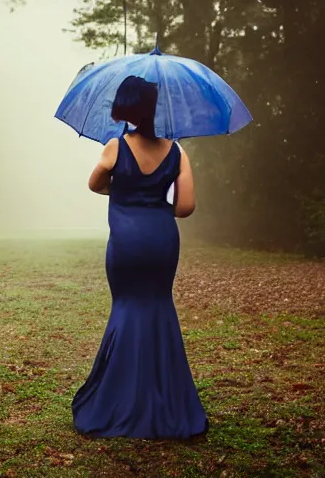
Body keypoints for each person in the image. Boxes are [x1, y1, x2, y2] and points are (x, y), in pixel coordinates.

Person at [71, 75, 210, 439]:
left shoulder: (115, 148)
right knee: (159, 308)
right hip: (162, 240)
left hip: (127, 242)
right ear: (154, 107)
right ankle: (166, 401)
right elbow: (185, 207)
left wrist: (124, 193)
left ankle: (119, 398)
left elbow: (94, 184)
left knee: (127, 307)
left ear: (124, 108)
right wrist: (153, 202)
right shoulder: (177, 152)